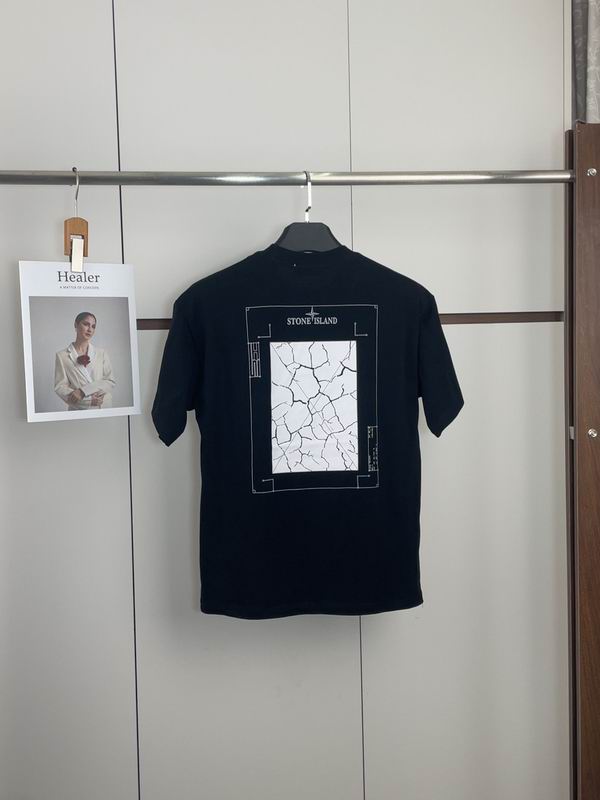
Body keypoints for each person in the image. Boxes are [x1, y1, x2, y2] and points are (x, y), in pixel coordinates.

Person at [54, 311, 116, 411]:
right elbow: (60, 387)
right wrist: (88, 401)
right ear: (76, 325)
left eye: (93, 326)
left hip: (103, 407)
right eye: (86, 324)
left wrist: (83, 391)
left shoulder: (101, 353)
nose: (90, 329)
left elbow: (110, 381)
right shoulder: (62, 356)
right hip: (79, 409)